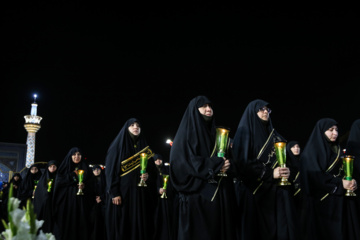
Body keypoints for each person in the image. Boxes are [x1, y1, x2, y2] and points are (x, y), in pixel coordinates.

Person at [169, 95, 237, 240]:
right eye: (204, 106)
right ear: (195, 110)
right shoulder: (185, 135)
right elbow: (183, 163)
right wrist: (216, 164)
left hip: (220, 196)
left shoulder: (217, 134)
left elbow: (227, 158)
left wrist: (227, 165)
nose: (208, 109)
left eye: (210, 106)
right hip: (196, 197)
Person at [231, 99, 299, 240]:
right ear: (252, 112)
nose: (265, 112)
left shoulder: (277, 137)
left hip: (278, 195)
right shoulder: (244, 135)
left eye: (267, 109)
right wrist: (269, 173)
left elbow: (292, 164)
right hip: (254, 194)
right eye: (261, 109)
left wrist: (288, 172)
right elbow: (242, 164)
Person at [300, 118, 359, 240]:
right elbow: (315, 177)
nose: (335, 133)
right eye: (330, 130)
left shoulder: (338, 151)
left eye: (337, 130)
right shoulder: (310, 153)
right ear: (321, 131)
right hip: (322, 206)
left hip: (341, 202)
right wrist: (340, 183)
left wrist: (352, 182)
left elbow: (344, 172)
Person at [104, 118, 158, 240]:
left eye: (138, 125)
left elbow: (154, 171)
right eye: (132, 125)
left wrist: (148, 176)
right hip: (123, 194)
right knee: (124, 224)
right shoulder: (117, 147)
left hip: (141, 195)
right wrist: (114, 192)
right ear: (126, 128)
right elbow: (110, 171)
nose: (135, 127)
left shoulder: (145, 148)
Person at [52, 147, 96, 240]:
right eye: (74, 154)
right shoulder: (64, 168)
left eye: (79, 154)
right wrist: (72, 175)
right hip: (67, 202)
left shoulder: (86, 169)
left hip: (82, 203)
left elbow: (92, 184)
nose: (77, 156)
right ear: (70, 156)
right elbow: (59, 182)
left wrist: (85, 186)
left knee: (81, 224)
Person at [152, 153, 174, 240]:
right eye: (156, 159)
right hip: (157, 200)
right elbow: (150, 184)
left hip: (167, 198)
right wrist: (158, 190)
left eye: (160, 159)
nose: (158, 161)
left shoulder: (166, 169)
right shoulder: (152, 171)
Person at [33, 160, 59, 234]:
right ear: (47, 168)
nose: (52, 168)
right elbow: (39, 191)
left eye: (54, 166)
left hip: (54, 203)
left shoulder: (59, 177)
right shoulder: (43, 178)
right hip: (44, 204)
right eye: (50, 166)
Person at [286, 140, 303, 217]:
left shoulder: (304, 161)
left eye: (298, 146)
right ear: (289, 148)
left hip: (304, 195)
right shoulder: (287, 163)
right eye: (293, 147)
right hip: (291, 195)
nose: (296, 148)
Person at [90, 164, 107, 240]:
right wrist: (95, 198)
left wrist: (101, 198)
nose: (96, 171)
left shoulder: (104, 179)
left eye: (98, 169)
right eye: (94, 170)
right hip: (94, 204)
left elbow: (107, 190)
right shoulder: (90, 180)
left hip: (103, 203)